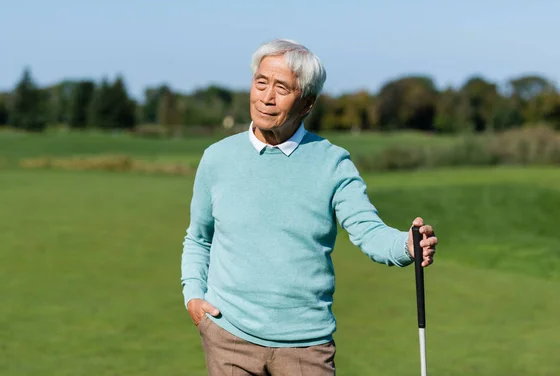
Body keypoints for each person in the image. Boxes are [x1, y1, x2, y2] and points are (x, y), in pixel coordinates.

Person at [180, 39, 439, 376]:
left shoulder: (332, 163)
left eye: (282, 88)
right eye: (261, 83)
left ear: (307, 103)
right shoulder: (216, 158)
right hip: (228, 336)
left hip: (305, 347)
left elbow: (368, 231)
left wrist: (406, 245)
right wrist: (193, 297)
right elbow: (199, 239)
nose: (266, 97)